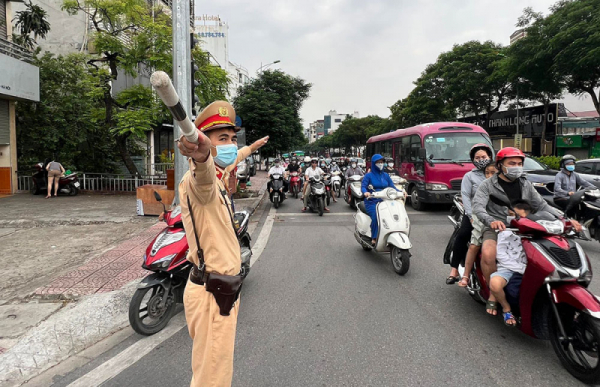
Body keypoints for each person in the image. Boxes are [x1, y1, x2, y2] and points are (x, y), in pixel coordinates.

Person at [175, 100, 269, 387]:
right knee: (212, 379)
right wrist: (202, 158)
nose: (230, 145)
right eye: (221, 139)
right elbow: (202, 176)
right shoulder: (200, 180)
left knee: (213, 369)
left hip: (221, 289)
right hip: (212, 293)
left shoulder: (221, 173)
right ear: (205, 144)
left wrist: (251, 148)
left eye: (232, 138)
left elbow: (233, 158)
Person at [472, 147, 577, 316]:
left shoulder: (525, 183)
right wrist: (491, 221)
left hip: (524, 226)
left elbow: (541, 205)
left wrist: (565, 218)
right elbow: (478, 207)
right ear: (500, 165)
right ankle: (493, 292)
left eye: (519, 163)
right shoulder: (487, 184)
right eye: (512, 163)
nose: (517, 166)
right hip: (497, 226)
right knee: (488, 253)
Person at [446, 144, 493, 284]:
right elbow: (466, 196)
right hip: (474, 213)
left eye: (483, 157)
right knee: (463, 234)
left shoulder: (497, 173)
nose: (481, 160)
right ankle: (454, 270)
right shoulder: (470, 176)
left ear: (490, 157)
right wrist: (471, 216)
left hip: (494, 213)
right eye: (477, 158)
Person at [458, 162, 498, 287]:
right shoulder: (483, 187)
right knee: (474, 245)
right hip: (481, 219)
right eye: (487, 173)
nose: (489, 175)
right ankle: (466, 275)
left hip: (501, 222)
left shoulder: (506, 187)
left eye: (493, 172)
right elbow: (478, 206)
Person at [362, 154, 401, 246]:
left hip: (385, 200)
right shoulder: (369, 176)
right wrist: (366, 193)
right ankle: (374, 237)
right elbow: (363, 187)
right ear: (373, 163)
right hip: (372, 201)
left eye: (382, 162)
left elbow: (392, 186)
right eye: (378, 162)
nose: (381, 164)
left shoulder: (386, 175)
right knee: (376, 217)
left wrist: (401, 192)